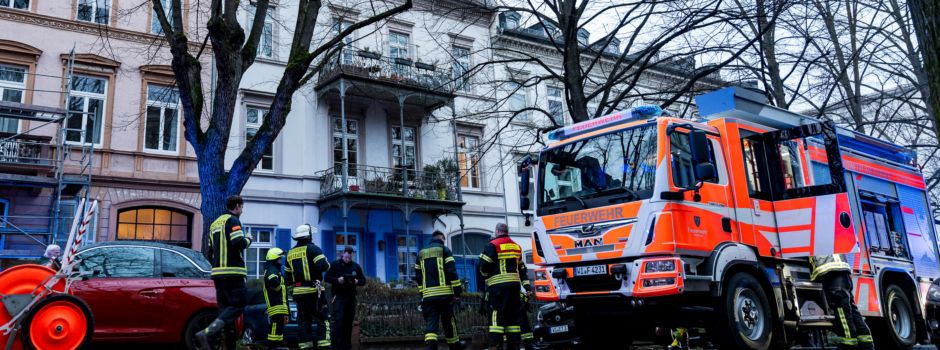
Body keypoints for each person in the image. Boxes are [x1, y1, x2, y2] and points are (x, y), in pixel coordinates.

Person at [196, 195, 253, 350]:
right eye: (242, 206)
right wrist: (248, 238)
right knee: (238, 304)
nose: (242, 209)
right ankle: (207, 332)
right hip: (233, 273)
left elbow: (209, 251)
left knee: (225, 312)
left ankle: (227, 345)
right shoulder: (233, 220)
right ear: (237, 206)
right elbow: (238, 243)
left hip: (218, 274)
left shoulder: (215, 224)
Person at [809, 254, 874, 349]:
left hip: (830, 271)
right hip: (843, 269)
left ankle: (849, 343)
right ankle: (867, 343)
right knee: (852, 309)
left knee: (842, 310)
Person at [479, 223, 527, 350]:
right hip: (514, 287)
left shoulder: (493, 245)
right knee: (512, 316)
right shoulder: (517, 246)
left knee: (496, 314)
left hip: (498, 287)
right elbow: (521, 268)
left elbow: (483, 266)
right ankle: (514, 345)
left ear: (497, 231)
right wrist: (526, 287)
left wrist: (486, 277)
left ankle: (495, 345)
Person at [415, 230, 463, 350]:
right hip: (445, 296)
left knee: (431, 322)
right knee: (448, 321)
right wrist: (457, 292)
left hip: (428, 296)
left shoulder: (421, 253)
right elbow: (452, 272)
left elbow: (418, 277)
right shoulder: (444, 250)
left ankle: (431, 346)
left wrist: (422, 293)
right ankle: (455, 345)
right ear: (441, 238)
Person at [286, 224, 332, 350]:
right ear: (309, 236)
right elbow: (324, 266)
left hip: (299, 294)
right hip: (313, 291)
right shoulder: (313, 249)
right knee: (324, 319)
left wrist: (292, 292)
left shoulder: (290, 253)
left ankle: (306, 347)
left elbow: (287, 277)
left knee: (303, 322)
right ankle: (324, 346)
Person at [325, 246, 366, 350]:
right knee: (339, 321)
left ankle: (347, 347)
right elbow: (326, 277)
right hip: (338, 297)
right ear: (343, 254)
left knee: (348, 322)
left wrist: (357, 281)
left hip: (351, 298)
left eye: (349, 257)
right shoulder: (334, 264)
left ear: (352, 255)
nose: (347, 259)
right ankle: (336, 347)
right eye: (346, 257)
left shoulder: (355, 266)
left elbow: (363, 280)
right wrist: (337, 280)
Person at [263, 248, 289, 348]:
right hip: (275, 305)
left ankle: (277, 345)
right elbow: (273, 281)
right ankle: (272, 346)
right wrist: (278, 287)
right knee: (275, 326)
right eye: (279, 258)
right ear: (274, 258)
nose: (280, 260)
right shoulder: (272, 269)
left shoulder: (274, 269)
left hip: (279, 306)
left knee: (278, 327)